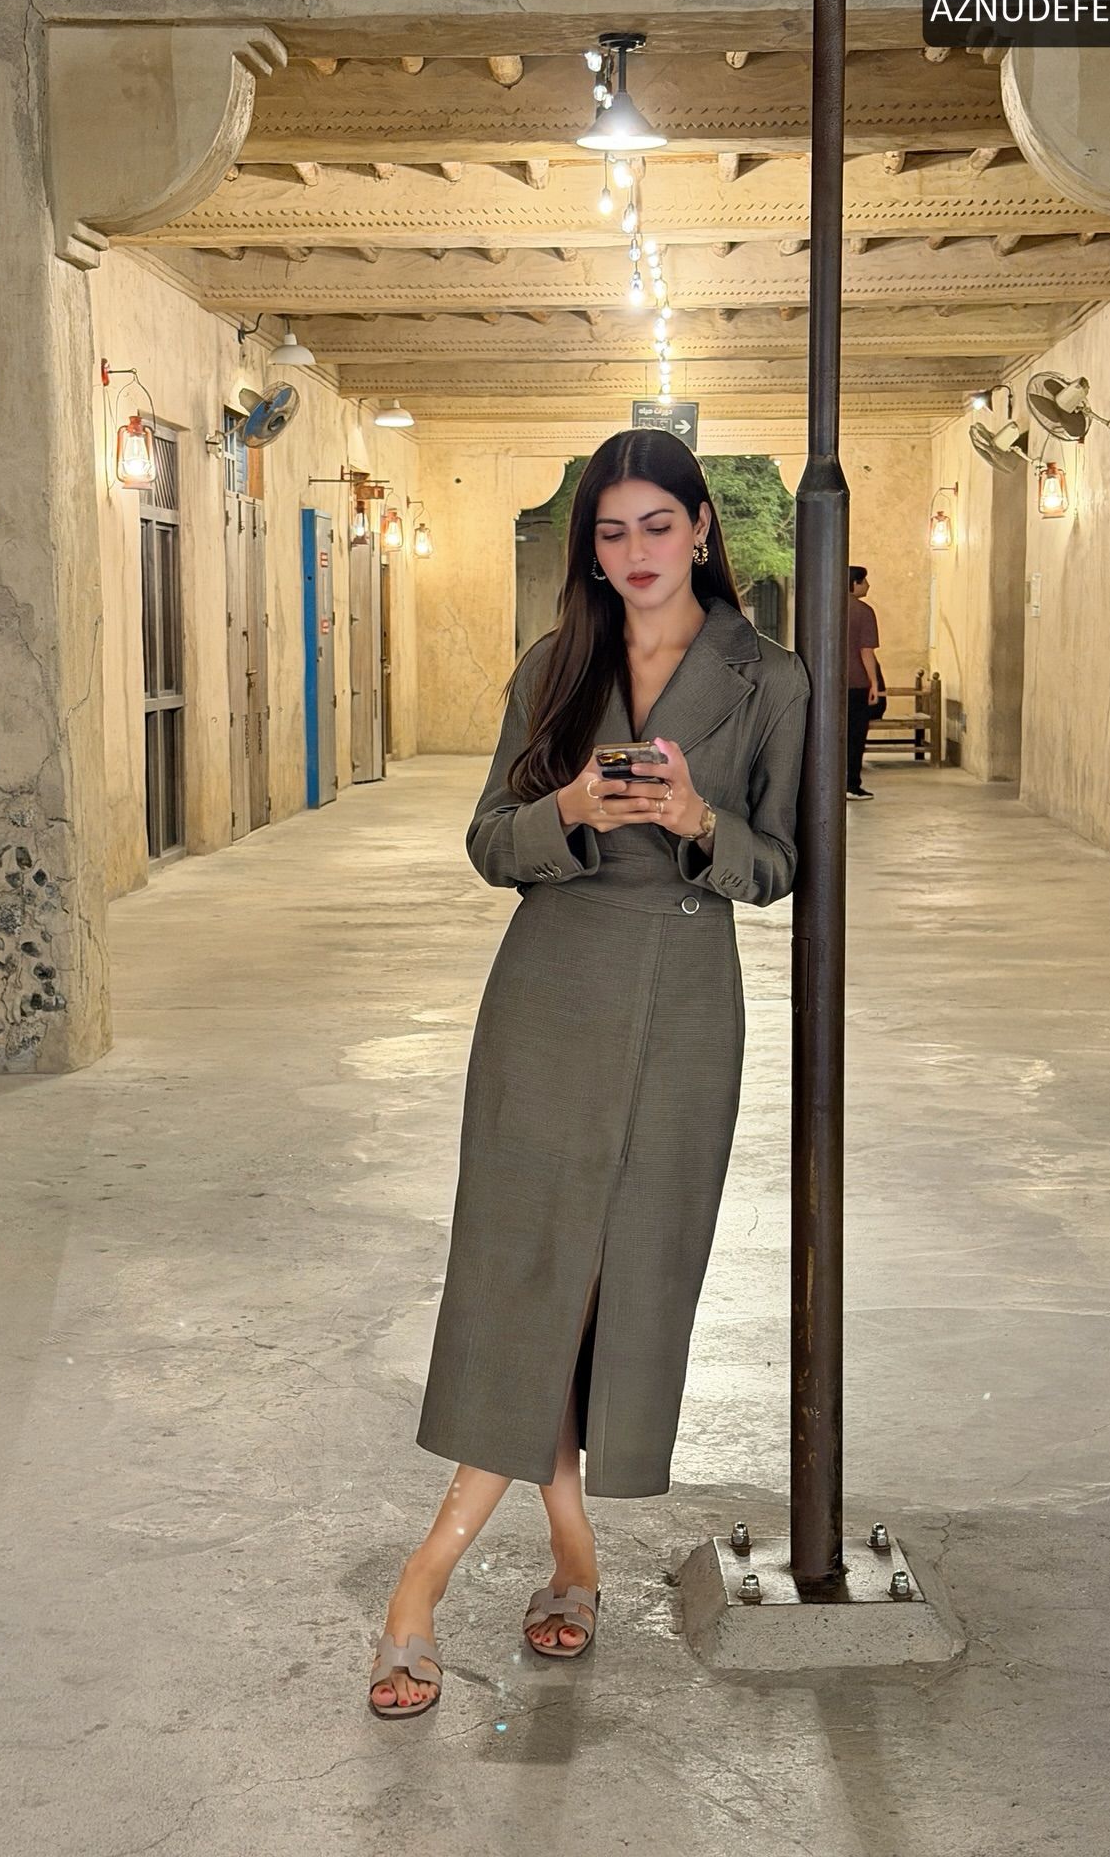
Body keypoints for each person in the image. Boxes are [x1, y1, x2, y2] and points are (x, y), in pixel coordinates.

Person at [366, 428, 812, 1718]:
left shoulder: (769, 678)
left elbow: (783, 867)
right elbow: (487, 843)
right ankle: (447, 1574)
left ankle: (559, 1556)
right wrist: (567, 810)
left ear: (701, 529)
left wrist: (695, 820)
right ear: (592, 550)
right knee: (526, 1274)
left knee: (615, 1283)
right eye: (611, 533)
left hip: (683, 1002)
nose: (636, 552)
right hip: (549, 991)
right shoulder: (553, 665)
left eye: (657, 526)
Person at [846, 564, 882, 801]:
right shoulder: (863, 611)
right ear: (855, 583)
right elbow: (866, 651)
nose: (868, 585)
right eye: (865, 581)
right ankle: (851, 785)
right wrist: (874, 683)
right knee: (856, 735)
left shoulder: (827, 608)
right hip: (857, 683)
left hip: (829, 685)